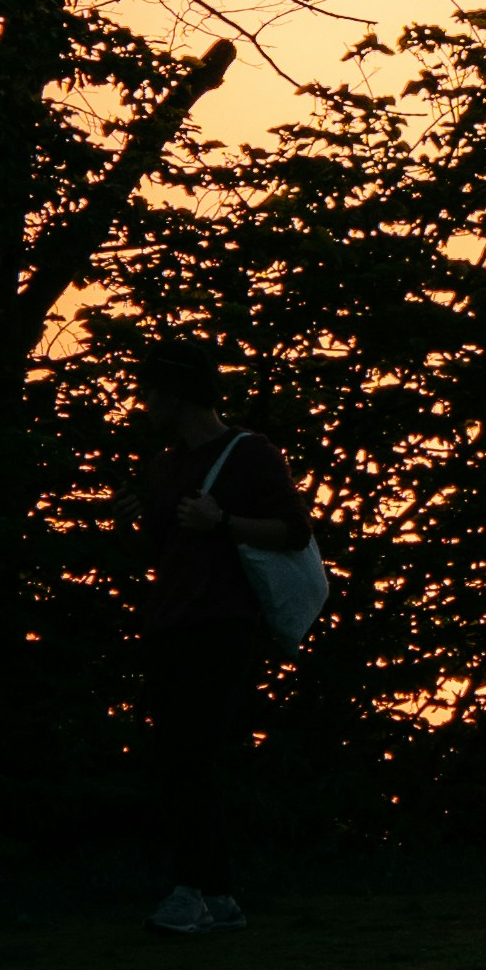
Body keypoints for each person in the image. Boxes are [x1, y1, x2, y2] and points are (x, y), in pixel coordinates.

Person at [138, 344, 308, 936]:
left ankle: (194, 892)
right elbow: (162, 547)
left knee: (191, 754)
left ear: (178, 395)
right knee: (181, 758)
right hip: (169, 623)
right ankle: (217, 896)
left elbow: (293, 530)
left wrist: (225, 523)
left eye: (152, 391)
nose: (144, 402)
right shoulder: (164, 465)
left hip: (222, 624)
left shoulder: (249, 454)